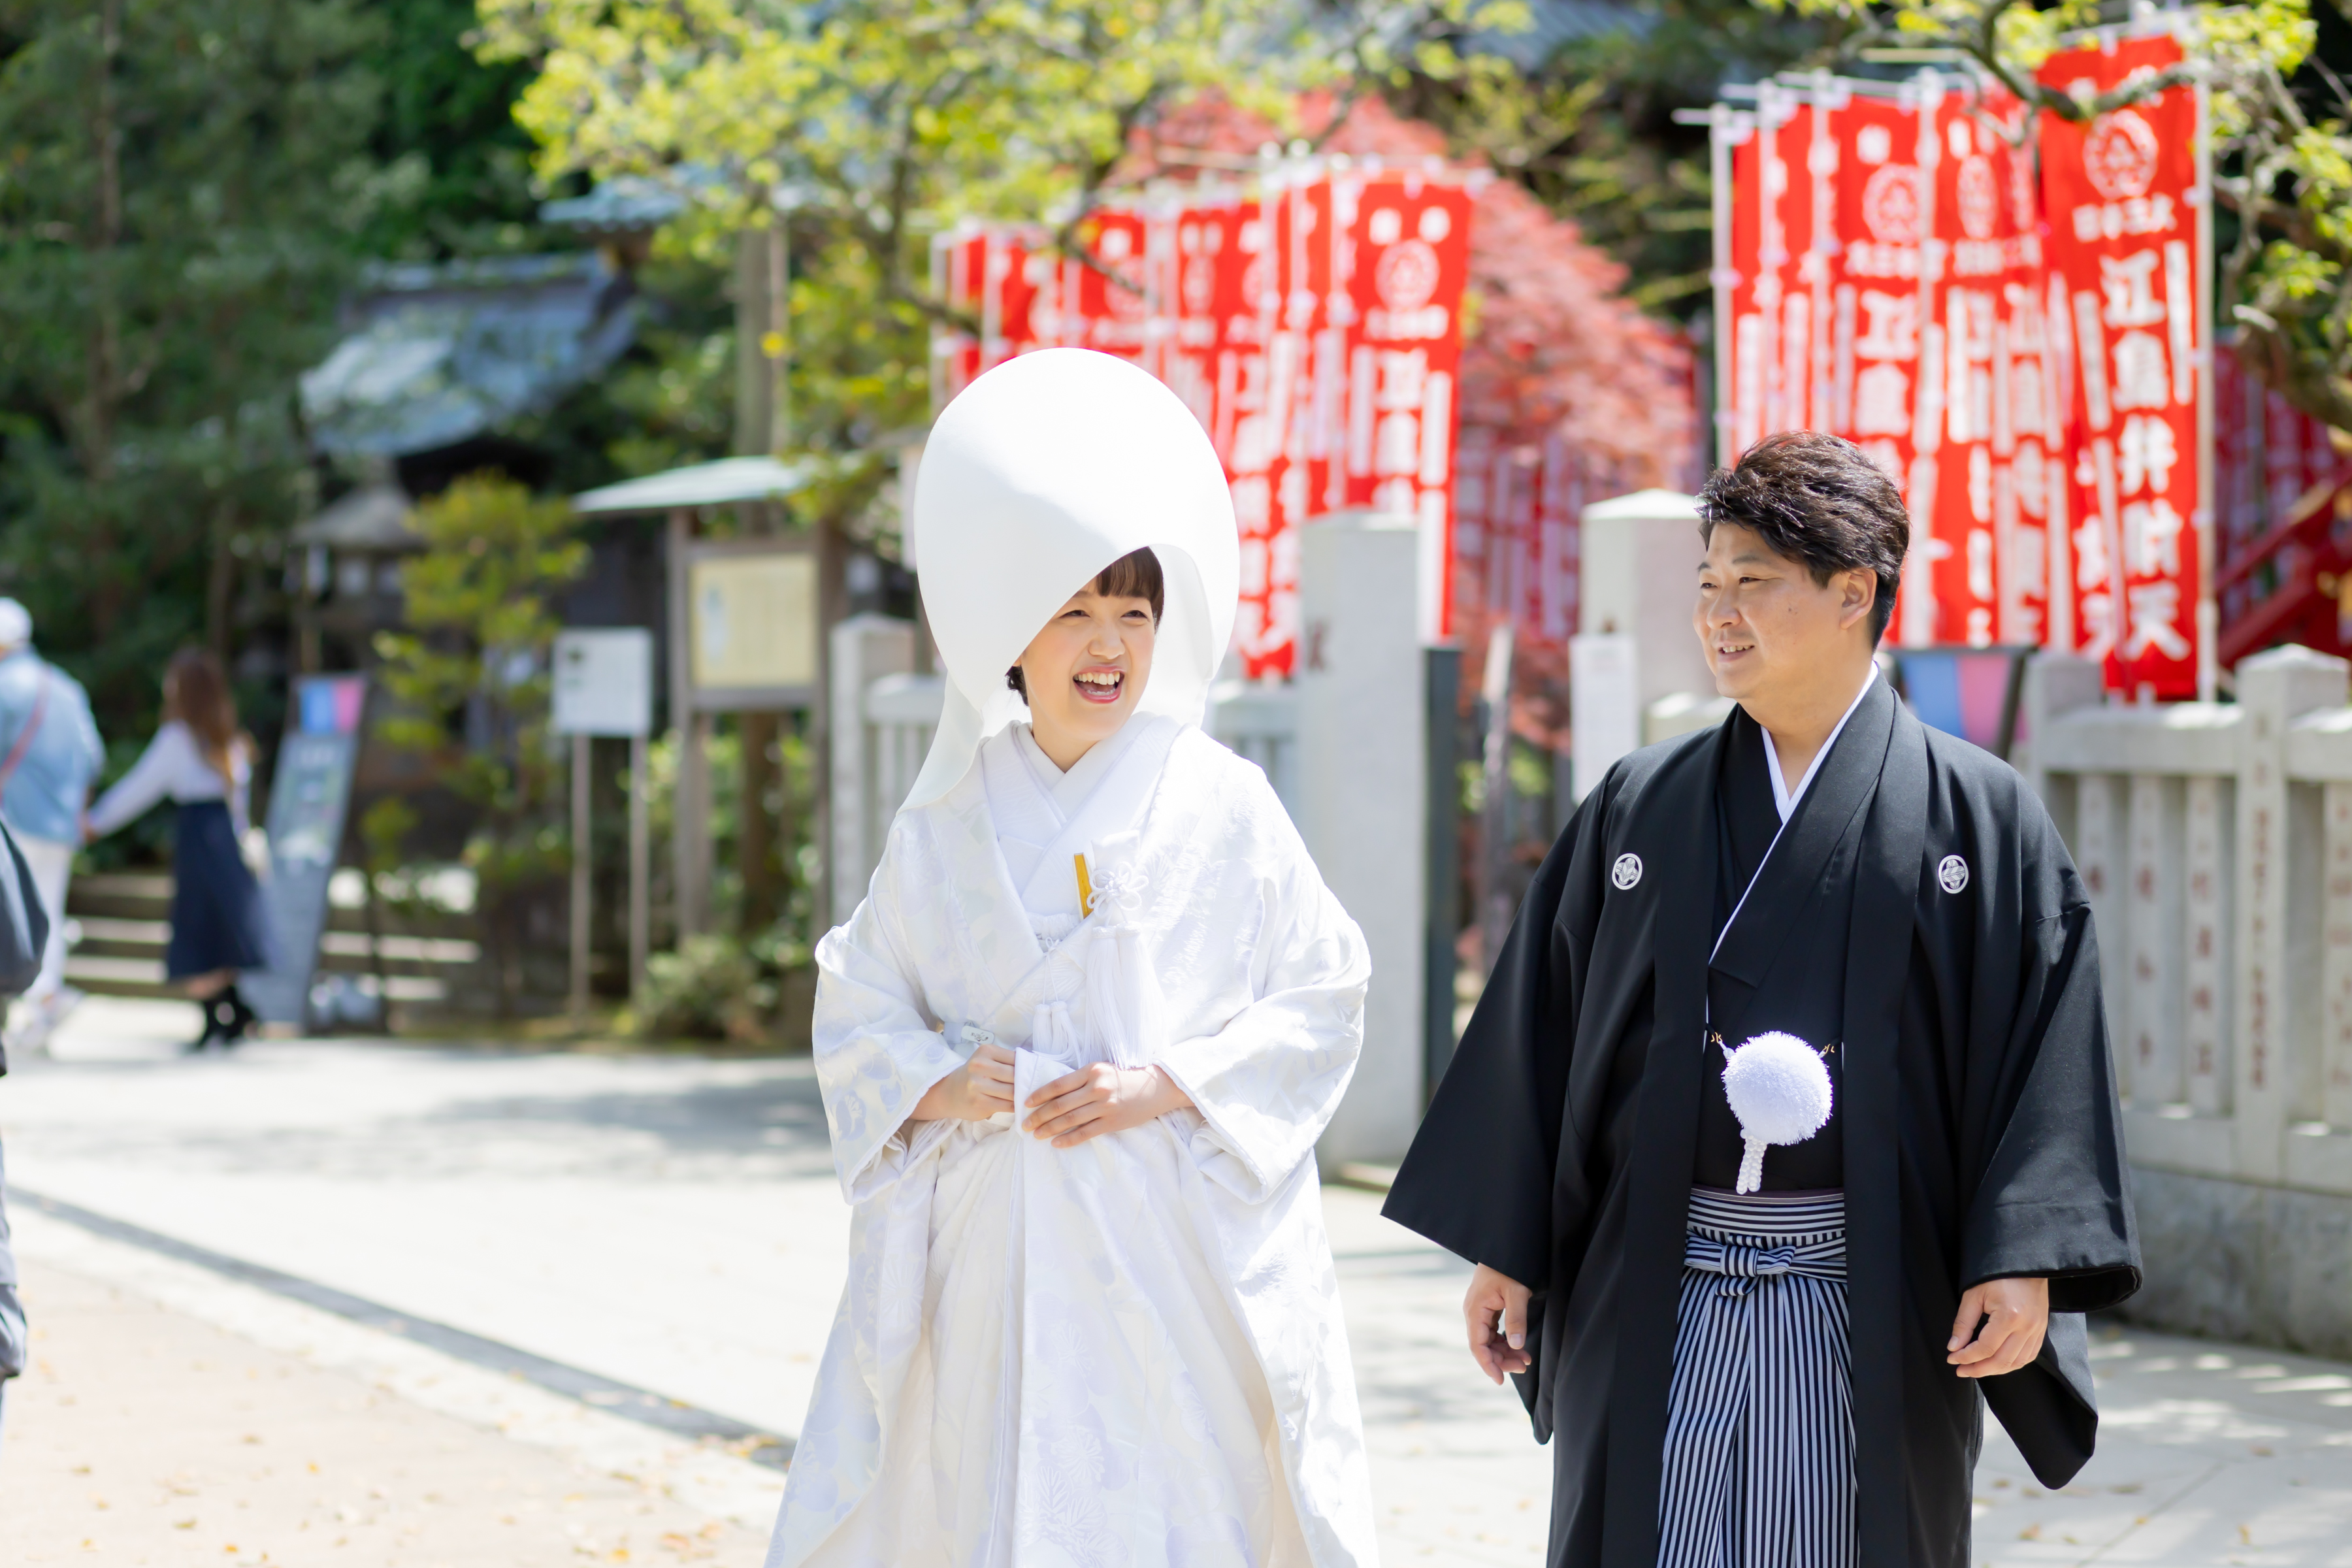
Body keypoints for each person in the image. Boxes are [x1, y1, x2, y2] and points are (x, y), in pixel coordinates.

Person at [1382, 431, 2140, 1568]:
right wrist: (1512, 1244)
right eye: (1708, 585)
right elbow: (1544, 1031)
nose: (1719, 614)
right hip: (1657, 1276)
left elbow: (2047, 1059)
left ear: (1854, 594)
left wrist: (2018, 1257)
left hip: (1876, 1284)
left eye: (1754, 584)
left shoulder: (1979, 818)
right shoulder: (1645, 805)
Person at [766, 348, 1379, 1567]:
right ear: (1015, 634)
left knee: (1175, 1502)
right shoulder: (946, 819)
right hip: (991, 1237)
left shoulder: (1224, 803)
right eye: (1076, 612)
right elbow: (861, 995)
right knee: (980, 1492)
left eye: (1134, 615)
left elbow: (1324, 992)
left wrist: (1167, 1086)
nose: (1109, 646)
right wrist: (940, 1081)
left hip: (1165, 1230)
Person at [84, 648, 271, 1051]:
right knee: (221, 927)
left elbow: (139, 788)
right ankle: (233, 1014)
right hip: (224, 841)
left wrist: (95, 822)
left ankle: (221, 1018)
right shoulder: (228, 740)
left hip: (199, 840)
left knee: (198, 928)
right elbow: (238, 805)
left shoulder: (179, 738)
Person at [0, 599, 104, 1056]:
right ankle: (44, 1003)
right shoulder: (66, 687)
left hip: (13, 819)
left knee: (12, 913)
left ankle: (18, 1007)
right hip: (60, 826)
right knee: (47, 916)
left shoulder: (4, 687)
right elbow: (94, 758)